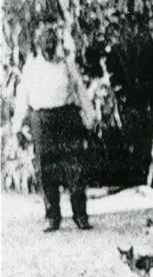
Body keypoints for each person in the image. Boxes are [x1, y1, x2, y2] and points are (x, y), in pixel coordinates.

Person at [12, 26, 97, 231]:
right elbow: (22, 97)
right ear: (39, 45)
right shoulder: (31, 67)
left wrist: (90, 116)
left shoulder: (67, 65)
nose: (49, 45)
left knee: (75, 166)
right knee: (46, 168)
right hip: (42, 120)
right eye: (45, 42)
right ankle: (53, 216)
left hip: (67, 117)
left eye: (52, 41)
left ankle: (80, 215)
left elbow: (80, 91)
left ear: (57, 43)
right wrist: (17, 126)